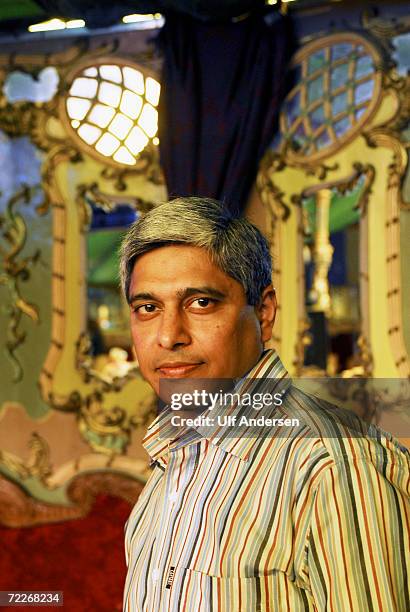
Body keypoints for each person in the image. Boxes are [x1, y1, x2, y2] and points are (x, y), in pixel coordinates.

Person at [120, 197, 410, 611]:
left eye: (200, 303)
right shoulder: (177, 450)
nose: (169, 336)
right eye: (148, 308)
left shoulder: (334, 463)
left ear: (265, 312)